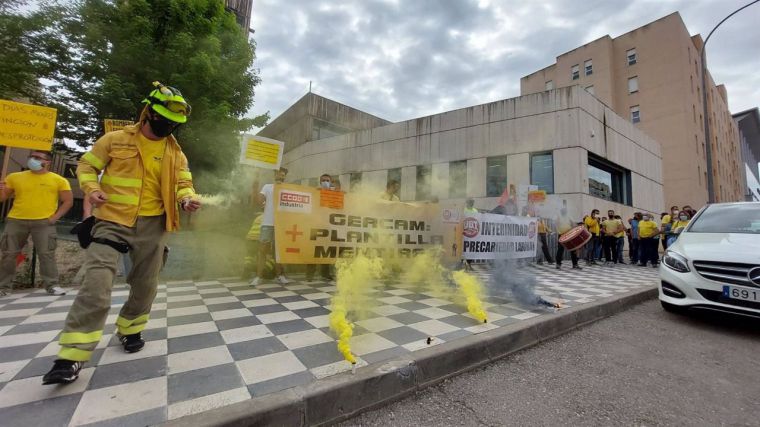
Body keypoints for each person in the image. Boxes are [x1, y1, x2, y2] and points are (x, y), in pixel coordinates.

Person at [43, 82, 200, 385]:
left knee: (146, 285)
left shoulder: (176, 154)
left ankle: (130, 329)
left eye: (174, 124)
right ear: (149, 113)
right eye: (165, 120)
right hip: (111, 221)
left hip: (153, 226)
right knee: (96, 284)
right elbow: (87, 167)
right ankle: (71, 356)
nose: (169, 127)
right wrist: (92, 188)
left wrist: (186, 198)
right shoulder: (114, 140)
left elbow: (184, 183)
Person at [0, 150, 73, 296]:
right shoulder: (14, 177)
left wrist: (54, 218)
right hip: (16, 220)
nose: (32, 159)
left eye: (37, 157)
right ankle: (3, 287)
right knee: (9, 254)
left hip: (44, 223)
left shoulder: (59, 180)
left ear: (47, 162)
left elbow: (68, 201)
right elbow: (2, 198)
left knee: (46, 254)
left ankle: (52, 285)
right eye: (31, 157)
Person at [249, 167, 292, 287]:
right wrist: (255, 186)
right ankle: (259, 277)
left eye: (282, 174)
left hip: (281, 225)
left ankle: (280, 275)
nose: (280, 176)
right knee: (262, 250)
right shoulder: (267, 187)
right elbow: (259, 202)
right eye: (278, 174)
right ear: (275, 175)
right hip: (267, 223)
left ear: (285, 176)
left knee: (279, 252)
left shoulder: (289, 189)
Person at [306, 174, 334, 281]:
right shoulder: (314, 192)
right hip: (315, 224)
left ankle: (325, 273)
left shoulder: (334, 194)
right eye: (323, 180)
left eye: (327, 180)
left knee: (326, 250)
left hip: (328, 225)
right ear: (320, 182)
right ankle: (310, 274)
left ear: (331, 182)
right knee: (313, 249)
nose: (325, 182)